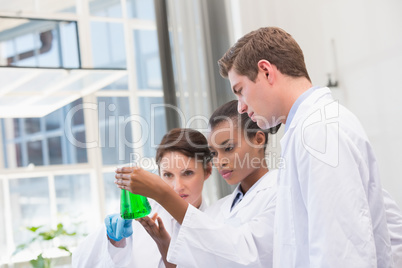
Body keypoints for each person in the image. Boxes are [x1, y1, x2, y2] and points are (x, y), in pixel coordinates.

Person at [217, 26, 396, 267]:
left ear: (266, 71)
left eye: (240, 91)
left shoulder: (319, 131)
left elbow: (340, 250)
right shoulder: (308, 129)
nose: (240, 107)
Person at [115, 99, 279, 267]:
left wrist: (162, 193)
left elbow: (247, 255)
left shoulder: (280, 193)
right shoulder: (216, 211)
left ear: (258, 140)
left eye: (228, 148)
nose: (219, 161)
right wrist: (164, 245)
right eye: (214, 153)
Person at [72, 128, 212, 267]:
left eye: (187, 173)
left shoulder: (215, 224)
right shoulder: (140, 211)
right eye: (168, 175)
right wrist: (111, 240)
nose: (177, 186)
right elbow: (80, 261)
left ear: (208, 171)